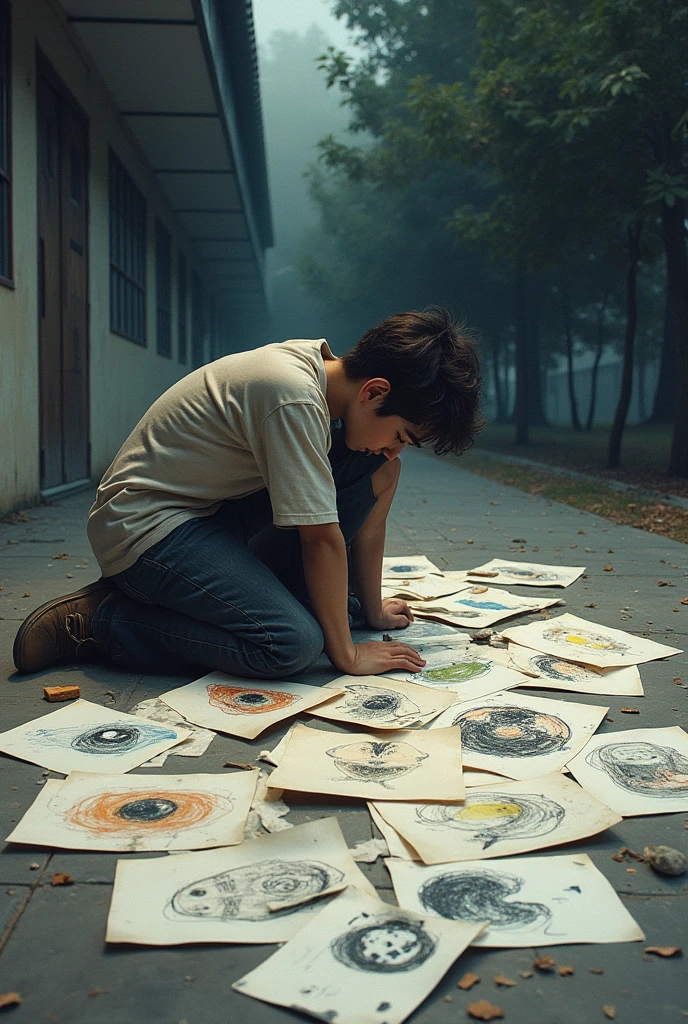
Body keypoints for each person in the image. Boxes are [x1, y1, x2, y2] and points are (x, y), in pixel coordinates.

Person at [14, 306, 482, 680]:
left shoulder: (321, 372)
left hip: (209, 516)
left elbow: (368, 520)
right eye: (401, 435)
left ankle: (302, 609)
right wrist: (346, 656)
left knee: (373, 495)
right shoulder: (293, 394)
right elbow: (320, 538)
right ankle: (105, 622)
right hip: (148, 530)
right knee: (292, 644)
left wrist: (374, 614)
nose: (394, 449)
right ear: (375, 392)